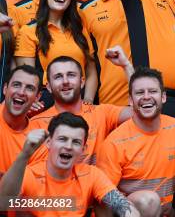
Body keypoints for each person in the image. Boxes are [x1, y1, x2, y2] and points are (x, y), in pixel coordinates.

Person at [98, 67, 175, 216]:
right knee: (149, 200)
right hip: (128, 213)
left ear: (163, 97)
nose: (146, 97)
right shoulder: (114, 142)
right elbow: (103, 196)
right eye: (140, 93)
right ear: (130, 101)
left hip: (164, 212)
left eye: (152, 91)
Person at [0, 112, 141, 216]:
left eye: (76, 142)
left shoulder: (90, 174)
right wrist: (25, 154)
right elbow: (2, 203)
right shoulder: (29, 174)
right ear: (48, 143)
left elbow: (121, 204)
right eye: (62, 139)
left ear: (83, 150)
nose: (68, 146)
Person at [29, 55, 132, 165]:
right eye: (58, 76)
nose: (65, 81)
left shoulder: (101, 112)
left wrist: (126, 65)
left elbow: (140, 113)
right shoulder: (36, 124)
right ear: (48, 87)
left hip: (97, 181)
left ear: (82, 82)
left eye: (71, 75)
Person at [14, 0, 97, 106]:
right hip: (47, 102)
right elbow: (27, 77)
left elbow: (91, 71)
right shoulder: (28, 31)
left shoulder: (80, 29)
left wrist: (88, 99)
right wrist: (32, 100)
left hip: (80, 102)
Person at [0, 65, 43, 177]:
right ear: (5, 89)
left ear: (37, 97)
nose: (21, 92)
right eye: (16, 85)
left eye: (29, 88)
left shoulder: (39, 139)